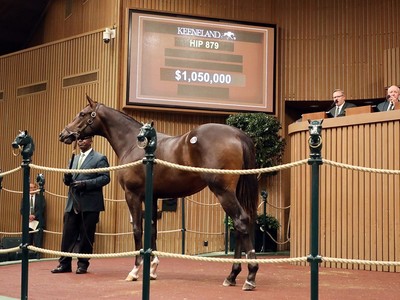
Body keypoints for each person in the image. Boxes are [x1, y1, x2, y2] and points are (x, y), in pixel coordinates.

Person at [51, 136, 110, 274]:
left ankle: (82, 264)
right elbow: (68, 180)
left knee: (86, 235)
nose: (80, 141)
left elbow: (105, 178)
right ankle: (64, 264)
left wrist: (85, 184)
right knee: (67, 235)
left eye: (84, 139)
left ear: (91, 140)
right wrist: (66, 178)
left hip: (90, 204)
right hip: (72, 202)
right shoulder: (73, 158)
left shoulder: (100, 157)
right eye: (79, 139)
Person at [20, 182, 46, 259]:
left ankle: (37, 257)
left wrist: (34, 216)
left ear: (36, 188)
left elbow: (42, 208)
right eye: (29, 188)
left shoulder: (41, 197)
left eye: (32, 188)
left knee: (38, 241)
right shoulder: (24, 198)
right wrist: (28, 216)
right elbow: (22, 210)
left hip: (37, 222)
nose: (31, 189)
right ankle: (28, 257)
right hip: (28, 222)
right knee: (28, 240)